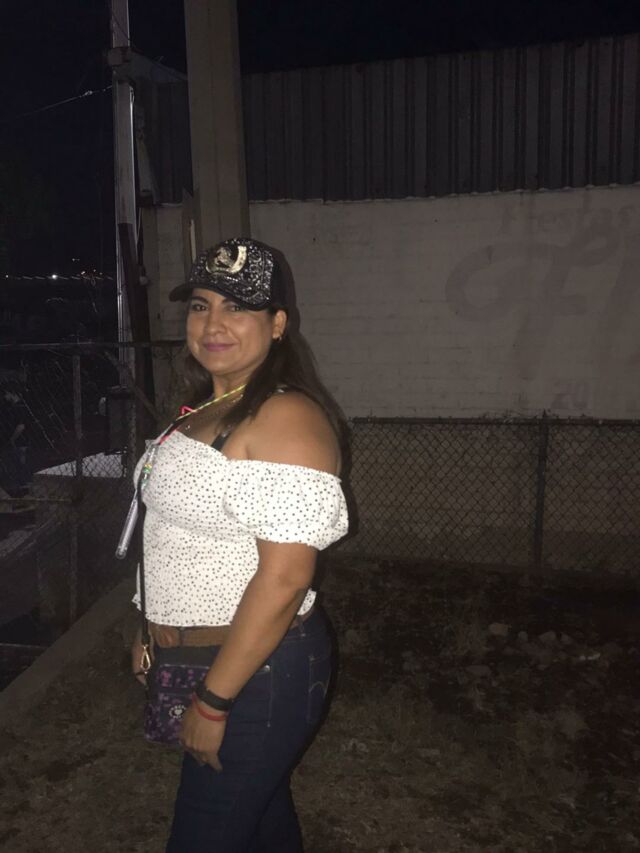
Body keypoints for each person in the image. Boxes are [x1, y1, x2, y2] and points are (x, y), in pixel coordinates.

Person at [130, 237, 349, 852]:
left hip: (256, 670)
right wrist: (148, 624)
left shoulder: (285, 420)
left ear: (277, 324)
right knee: (260, 821)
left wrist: (214, 701)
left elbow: (285, 578)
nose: (213, 324)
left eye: (237, 307)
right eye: (200, 306)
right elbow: (169, 531)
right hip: (206, 656)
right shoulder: (210, 405)